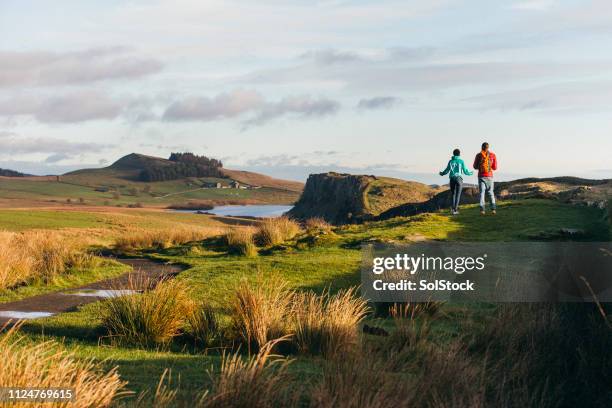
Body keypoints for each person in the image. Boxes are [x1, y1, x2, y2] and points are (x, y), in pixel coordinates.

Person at [439, 148, 473, 215]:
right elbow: (465, 171)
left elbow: (447, 170)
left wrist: (442, 173)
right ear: (459, 154)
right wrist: (470, 173)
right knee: (458, 195)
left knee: (453, 194)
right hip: (459, 179)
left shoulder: (450, 161)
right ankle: (455, 210)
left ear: (453, 154)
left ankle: (452, 209)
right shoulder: (461, 161)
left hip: (452, 179)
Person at [473, 142, 497, 215]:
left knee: (482, 193)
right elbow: (495, 167)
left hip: (481, 176)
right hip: (489, 176)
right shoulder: (493, 155)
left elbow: (475, 166)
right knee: (490, 193)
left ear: (482, 147)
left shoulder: (478, 155)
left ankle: (482, 210)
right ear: (488, 147)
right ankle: (493, 210)